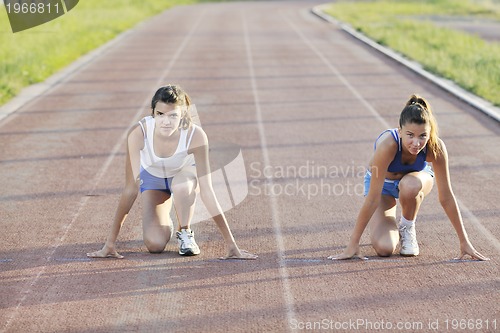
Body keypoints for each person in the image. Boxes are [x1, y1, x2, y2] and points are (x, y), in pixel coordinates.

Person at [87, 84, 257, 260]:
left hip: (183, 178)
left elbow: (207, 191)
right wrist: (110, 243)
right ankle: (166, 215)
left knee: (181, 187)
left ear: (182, 115)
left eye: (173, 116)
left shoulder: (195, 135)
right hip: (154, 181)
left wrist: (231, 244)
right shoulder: (139, 133)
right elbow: (130, 190)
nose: (166, 122)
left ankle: (185, 231)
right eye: (160, 114)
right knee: (154, 245)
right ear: (152, 112)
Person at [330, 94, 489, 260]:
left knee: (410, 184)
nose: (416, 142)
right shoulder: (388, 146)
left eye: (422, 136)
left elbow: (446, 197)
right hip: (383, 187)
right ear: (400, 132)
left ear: (429, 133)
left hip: (413, 183)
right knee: (384, 249)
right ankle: (388, 229)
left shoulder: (436, 147)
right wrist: (353, 243)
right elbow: (372, 198)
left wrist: (464, 241)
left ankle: (407, 227)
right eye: (410, 135)